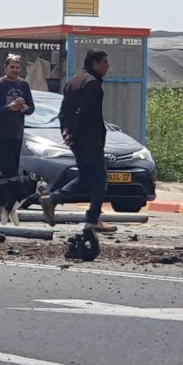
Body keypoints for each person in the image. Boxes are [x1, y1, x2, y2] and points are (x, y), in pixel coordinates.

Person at [52, 49, 115, 233]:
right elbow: (85, 113)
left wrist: (66, 132)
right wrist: (76, 134)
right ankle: (58, 200)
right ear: (95, 64)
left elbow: (63, 112)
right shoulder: (92, 84)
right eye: (104, 62)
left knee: (88, 177)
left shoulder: (73, 82)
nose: (107, 66)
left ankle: (89, 216)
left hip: (78, 139)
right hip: (89, 140)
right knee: (100, 178)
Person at [0, 53, 34, 178]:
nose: (15, 70)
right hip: (3, 133)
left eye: (17, 68)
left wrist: (25, 108)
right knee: (7, 171)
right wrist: (8, 108)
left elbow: (31, 108)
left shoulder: (24, 85)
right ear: (5, 68)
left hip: (18, 134)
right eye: (12, 67)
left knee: (16, 170)